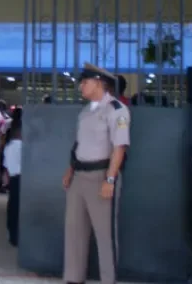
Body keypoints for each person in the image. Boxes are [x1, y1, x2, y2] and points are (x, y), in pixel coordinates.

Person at [62, 63, 130, 284]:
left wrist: (110, 179)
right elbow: (78, 145)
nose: (81, 86)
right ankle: (74, 278)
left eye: (85, 82)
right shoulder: (85, 112)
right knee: (74, 232)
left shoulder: (116, 110)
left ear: (99, 83)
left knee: (105, 236)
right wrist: (70, 170)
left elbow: (119, 147)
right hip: (80, 177)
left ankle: (108, 280)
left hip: (101, 176)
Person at [2, 121, 23, 247]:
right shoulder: (24, 147)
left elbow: (5, 167)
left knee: (12, 207)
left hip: (13, 178)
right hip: (22, 178)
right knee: (19, 208)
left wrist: (6, 180)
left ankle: (12, 234)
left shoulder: (8, 147)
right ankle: (18, 235)